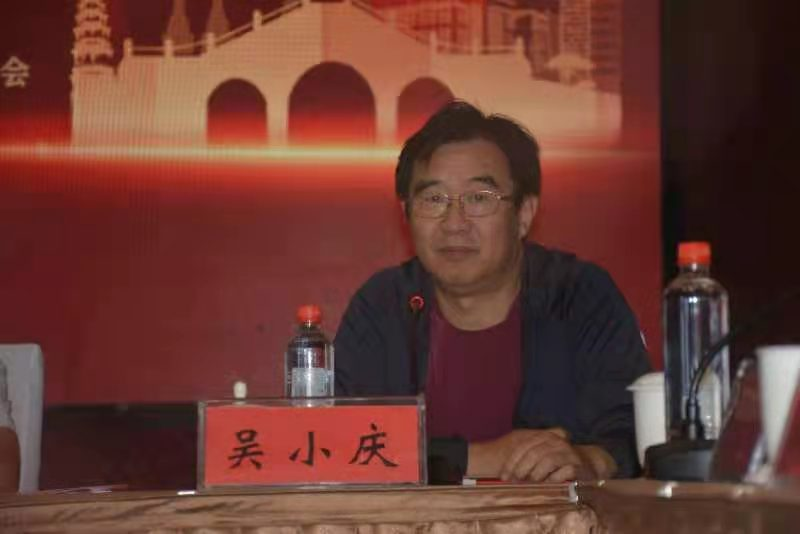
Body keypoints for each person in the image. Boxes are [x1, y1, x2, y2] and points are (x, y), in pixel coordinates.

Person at [334, 101, 651, 482]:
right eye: (433, 199)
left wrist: (585, 460)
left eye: (479, 198)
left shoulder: (579, 295)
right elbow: (340, 445)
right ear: (407, 214)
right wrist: (483, 458)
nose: (454, 223)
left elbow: (632, 436)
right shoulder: (383, 305)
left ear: (524, 214)